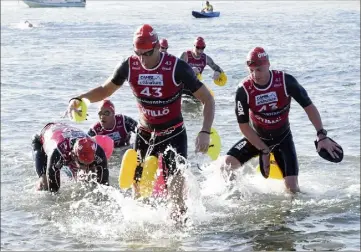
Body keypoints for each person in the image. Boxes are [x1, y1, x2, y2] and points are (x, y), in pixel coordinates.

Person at [66, 24, 215, 222]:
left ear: (157, 47)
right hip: (145, 136)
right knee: (139, 198)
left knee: (177, 198)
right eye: (138, 53)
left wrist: (205, 131)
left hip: (174, 135)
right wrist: (78, 99)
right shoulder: (129, 65)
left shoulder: (176, 67)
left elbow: (208, 99)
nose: (143, 59)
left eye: (147, 53)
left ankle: (178, 238)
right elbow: (105, 90)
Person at [221, 47, 342, 193]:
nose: (255, 75)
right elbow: (244, 126)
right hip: (257, 138)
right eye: (251, 70)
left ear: (268, 65)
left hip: (283, 138)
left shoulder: (285, 81)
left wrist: (321, 135)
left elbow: (309, 107)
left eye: (259, 69)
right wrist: (264, 150)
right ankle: (237, 200)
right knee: (226, 166)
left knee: (293, 190)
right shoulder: (244, 89)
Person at [31, 122, 109, 192]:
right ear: (73, 156)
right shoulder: (58, 152)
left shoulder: (98, 152)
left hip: (64, 130)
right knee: (44, 184)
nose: (86, 168)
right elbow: (54, 191)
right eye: (83, 164)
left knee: (91, 176)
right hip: (41, 138)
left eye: (90, 163)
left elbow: (105, 185)